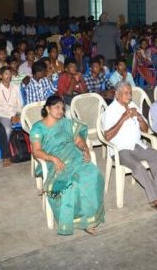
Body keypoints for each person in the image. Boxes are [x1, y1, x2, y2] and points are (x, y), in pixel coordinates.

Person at [30, 96, 105, 236]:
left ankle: (89, 218)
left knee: (92, 175)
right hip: (53, 161)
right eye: (57, 107)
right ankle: (80, 220)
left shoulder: (67, 123)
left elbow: (78, 140)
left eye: (62, 108)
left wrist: (85, 150)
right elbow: (36, 151)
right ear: (47, 108)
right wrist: (53, 159)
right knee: (72, 184)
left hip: (74, 156)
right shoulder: (38, 128)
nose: (60, 111)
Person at [101, 81, 157, 214]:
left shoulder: (133, 105)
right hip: (120, 149)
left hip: (137, 145)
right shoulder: (110, 111)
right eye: (126, 93)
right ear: (117, 94)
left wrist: (140, 118)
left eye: (130, 93)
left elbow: (146, 130)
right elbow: (107, 137)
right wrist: (123, 118)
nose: (129, 96)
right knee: (138, 167)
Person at [0, 66, 22, 140]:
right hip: (4, 116)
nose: (9, 76)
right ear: (0, 76)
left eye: (10, 74)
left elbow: (20, 104)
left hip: (17, 114)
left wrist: (17, 115)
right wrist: (11, 117)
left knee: (29, 124)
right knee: (7, 129)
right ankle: (5, 149)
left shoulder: (16, 87)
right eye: (6, 74)